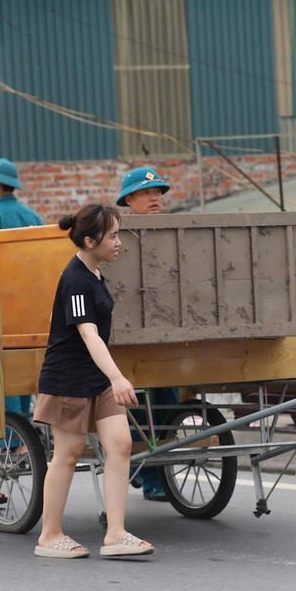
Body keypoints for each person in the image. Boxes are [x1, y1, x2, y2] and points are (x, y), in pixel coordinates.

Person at [33, 204, 153, 559]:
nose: (119, 242)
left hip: (97, 377)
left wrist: (109, 377)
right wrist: (117, 377)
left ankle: (116, 534)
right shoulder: (75, 279)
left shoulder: (95, 272)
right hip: (68, 378)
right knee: (67, 455)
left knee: (120, 445)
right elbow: (89, 335)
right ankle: (49, 535)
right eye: (113, 235)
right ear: (90, 240)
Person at [116, 166, 178, 501]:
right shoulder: (117, 234)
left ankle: (155, 471)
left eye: (158, 193)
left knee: (169, 403)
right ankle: (146, 472)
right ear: (129, 199)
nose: (155, 198)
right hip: (128, 337)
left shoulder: (174, 231)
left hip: (165, 333)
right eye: (146, 193)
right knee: (138, 405)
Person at [0, 158, 41, 416]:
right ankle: (25, 438)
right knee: (25, 368)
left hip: (1, 303)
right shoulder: (31, 215)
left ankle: (8, 441)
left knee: (3, 372)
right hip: (32, 305)